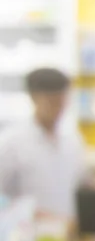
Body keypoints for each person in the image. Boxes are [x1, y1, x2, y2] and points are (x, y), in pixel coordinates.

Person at [0, 68, 86, 218]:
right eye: (52, 101)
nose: (58, 108)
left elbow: (79, 182)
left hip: (67, 230)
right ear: (34, 98)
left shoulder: (73, 140)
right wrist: (27, 212)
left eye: (62, 100)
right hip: (27, 233)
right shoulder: (12, 142)